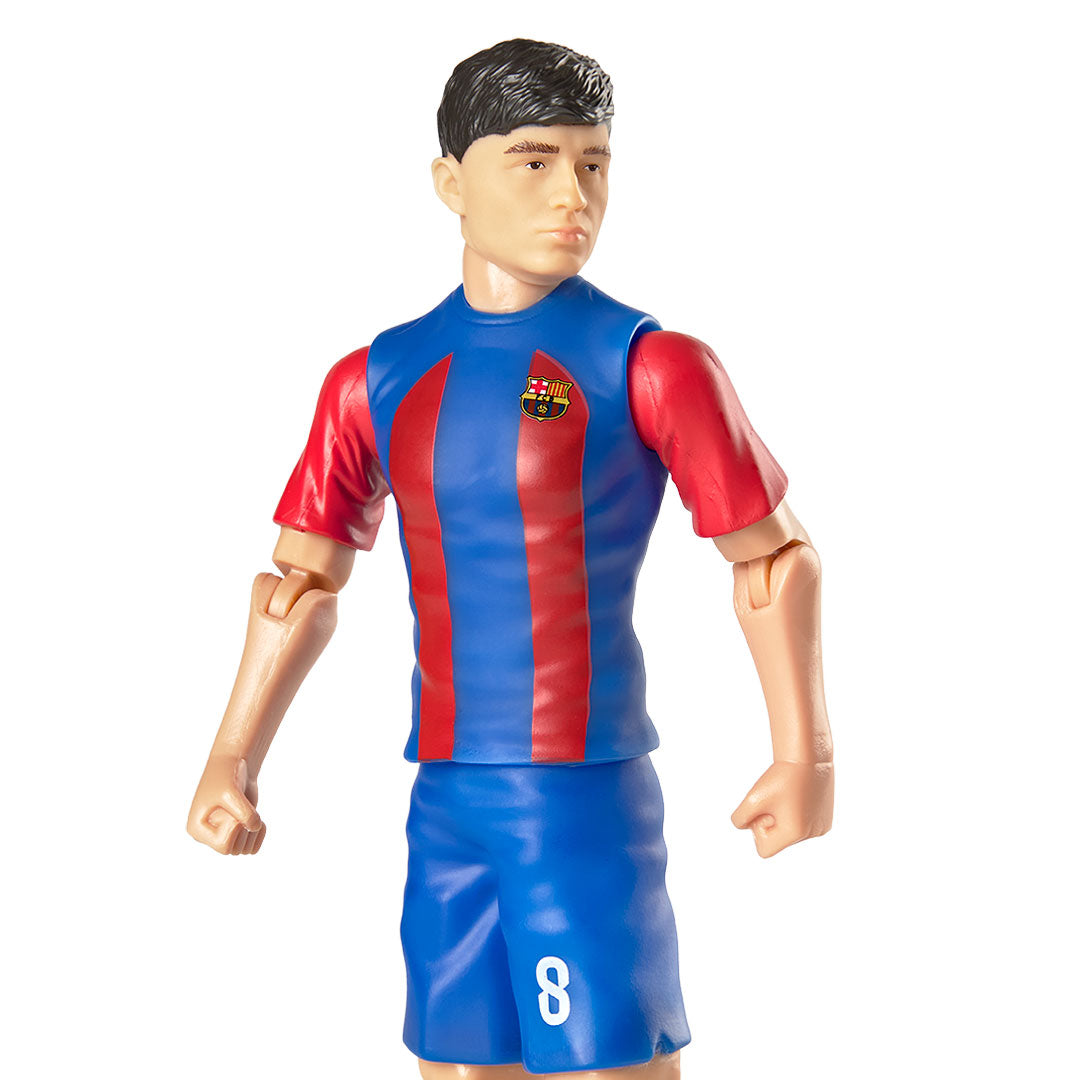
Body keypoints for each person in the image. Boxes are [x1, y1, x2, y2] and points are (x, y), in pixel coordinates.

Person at [187, 38, 834, 1080]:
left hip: (577, 791)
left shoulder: (649, 364)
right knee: (455, 1060)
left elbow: (774, 563)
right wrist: (233, 757)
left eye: (593, 162)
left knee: (602, 1061)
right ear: (451, 182)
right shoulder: (376, 377)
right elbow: (298, 585)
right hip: (444, 789)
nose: (572, 194)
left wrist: (807, 756)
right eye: (533, 161)